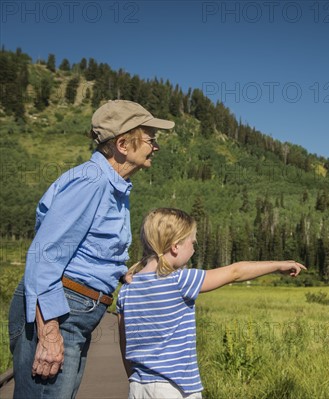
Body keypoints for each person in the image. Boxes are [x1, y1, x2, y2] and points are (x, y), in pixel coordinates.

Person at [8, 100, 175, 399]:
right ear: (123, 143)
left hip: (74, 315)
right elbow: (44, 256)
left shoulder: (112, 186)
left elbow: (88, 249)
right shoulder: (92, 182)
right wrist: (48, 334)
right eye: (151, 138)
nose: (156, 146)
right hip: (59, 314)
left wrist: (121, 272)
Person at [117, 208, 306, 399]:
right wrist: (278, 265)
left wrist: (134, 380)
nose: (194, 248)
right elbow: (235, 272)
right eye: (192, 242)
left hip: (138, 386)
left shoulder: (127, 289)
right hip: (173, 389)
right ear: (175, 246)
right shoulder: (180, 281)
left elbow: (124, 343)